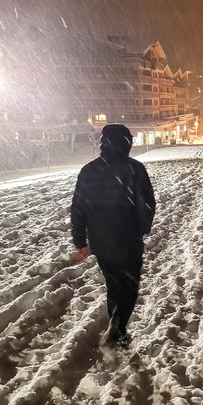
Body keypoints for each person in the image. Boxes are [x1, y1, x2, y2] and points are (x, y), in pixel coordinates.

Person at [71, 124, 156, 347]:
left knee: (114, 285)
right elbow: (146, 205)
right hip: (128, 240)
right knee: (129, 286)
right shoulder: (135, 170)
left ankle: (118, 330)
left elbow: (78, 208)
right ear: (127, 144)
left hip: (101, 242)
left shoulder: (89, 171)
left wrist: (81, 241)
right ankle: (117, 329)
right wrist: (142, 227)